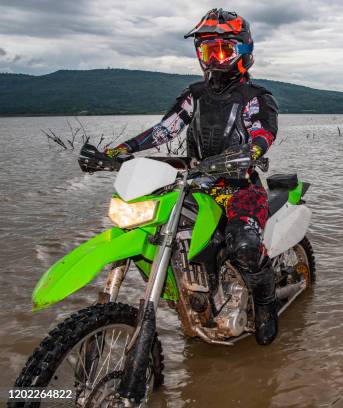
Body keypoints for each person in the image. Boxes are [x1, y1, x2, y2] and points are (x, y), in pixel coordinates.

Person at [105, 8, 280, 345]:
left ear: (243, 51)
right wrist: (120, 151)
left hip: (238, 186)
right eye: (207, 50)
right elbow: (163, 130)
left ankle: (266, 302)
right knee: (163, 230)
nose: (214, 58)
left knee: (243, 245)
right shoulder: (194, 95)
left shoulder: (255, 97)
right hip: (195, 184)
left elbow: (263, 132)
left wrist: (252, 152)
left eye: (222, 50)